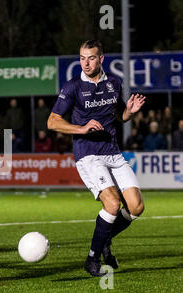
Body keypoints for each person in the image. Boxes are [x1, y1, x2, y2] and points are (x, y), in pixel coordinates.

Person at [47, 40, 146, 277]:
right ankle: (92, 259)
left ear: (101, 59)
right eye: (82, 58)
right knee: (112, 204)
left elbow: (119, 117)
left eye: (91, 58)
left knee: (136, 207)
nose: (86, 62)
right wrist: (81, 129)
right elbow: (52, 122)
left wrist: (129, 112)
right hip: (89, 155)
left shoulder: (114, 83)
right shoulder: (72, 87)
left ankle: (104, 239)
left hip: (112, 152)